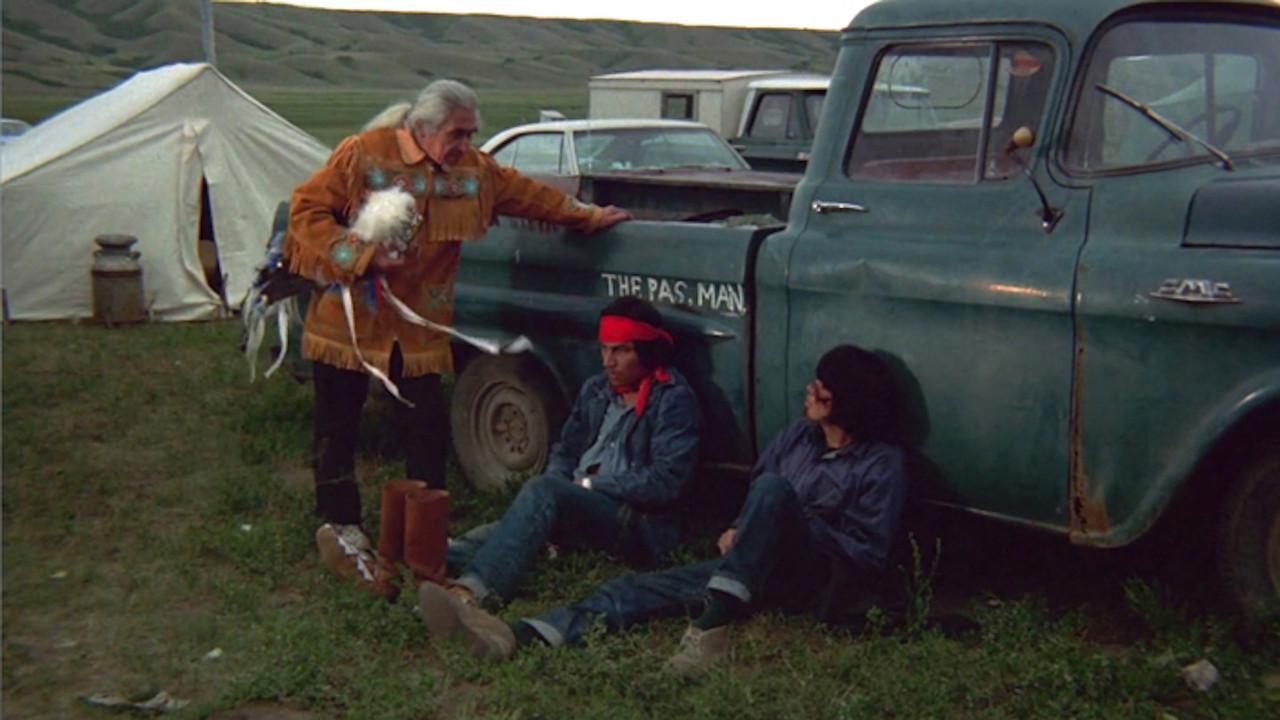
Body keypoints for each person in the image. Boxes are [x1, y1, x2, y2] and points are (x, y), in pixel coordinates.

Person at [418, 344, 907, 677]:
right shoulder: (798, 436)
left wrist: (788, 525)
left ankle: (710, 628)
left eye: (822, 389)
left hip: (811, 574)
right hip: (750, 566)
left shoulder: (882, 464)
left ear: (848, 403)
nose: (810, 392)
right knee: (630, 590)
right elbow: (758, 491)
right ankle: (512, 637)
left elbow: (869, 553)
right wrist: (742, 527)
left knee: (777, 493)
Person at [286, 79, 631, 538]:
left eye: (471, 134)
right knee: (338, 425)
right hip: (349, 323)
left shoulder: (474, 172)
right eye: (457, 134)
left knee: (426, 432)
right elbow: (306, 212)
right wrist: (363, 255)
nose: (466, 144)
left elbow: (528, 195)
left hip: (419, 331)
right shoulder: (365, 155)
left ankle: (423, 535)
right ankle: (341, 527)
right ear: (424, 129)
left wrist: (588, 216)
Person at [423, 296, 701, 609]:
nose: (608, 361)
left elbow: (666, 481)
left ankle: (475, 592)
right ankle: (423, 565)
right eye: (604, 349)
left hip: (629, 517)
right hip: (575, 500)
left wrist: (589, 486)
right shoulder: (597, 389)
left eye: (621, 351)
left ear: (646, 351)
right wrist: (561, 485)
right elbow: (567, 450)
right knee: (510, 529)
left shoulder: (672, 399)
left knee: (542, 494)